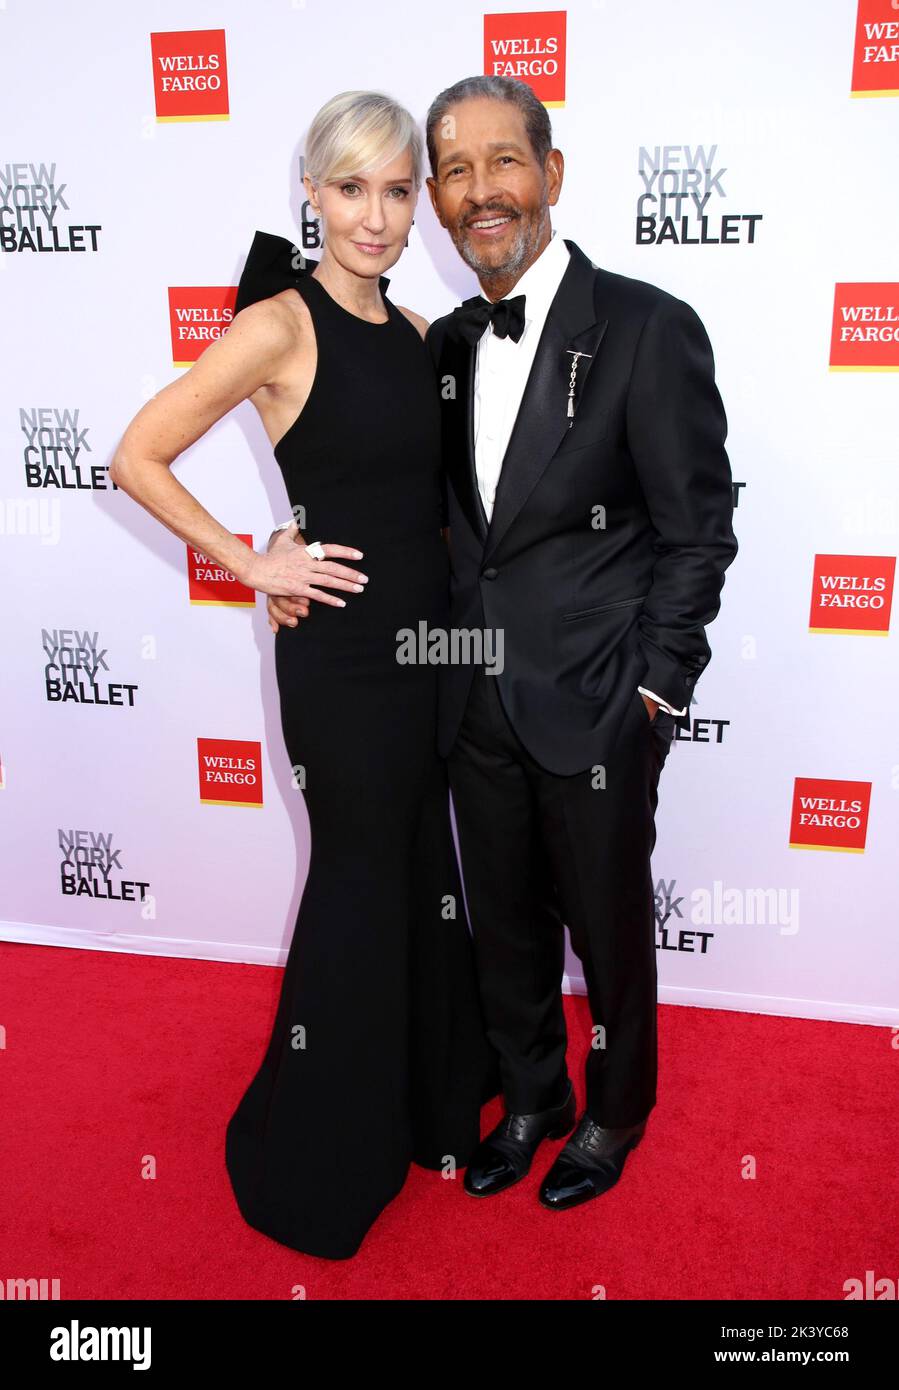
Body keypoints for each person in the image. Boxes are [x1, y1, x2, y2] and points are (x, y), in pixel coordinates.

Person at [270, 74, 738, 1213]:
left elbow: (697, 531)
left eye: (504, 162)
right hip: (463, 695)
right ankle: (528, 1095)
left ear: (551, 175)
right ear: (435, 198)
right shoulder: (446, 342)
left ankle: (614, 1109)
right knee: (502, 922)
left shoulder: (644, 326)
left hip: (594, 699)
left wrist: (656, 693)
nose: (482, 192)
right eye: (456, 171)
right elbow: (389, 485)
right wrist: (283, 539)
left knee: (609, 923)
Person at [109, 89, 498, 1260]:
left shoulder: (425, 336)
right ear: (312, 194)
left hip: (428, 651)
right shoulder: (279, 324)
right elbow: (138, 452)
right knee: (357, 886)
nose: (375, 216)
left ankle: (430, 1105)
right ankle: (314, 1159)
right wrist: (247, 556)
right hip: (340, 665)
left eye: (394, 190)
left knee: (425, 868)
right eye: (351, 189)